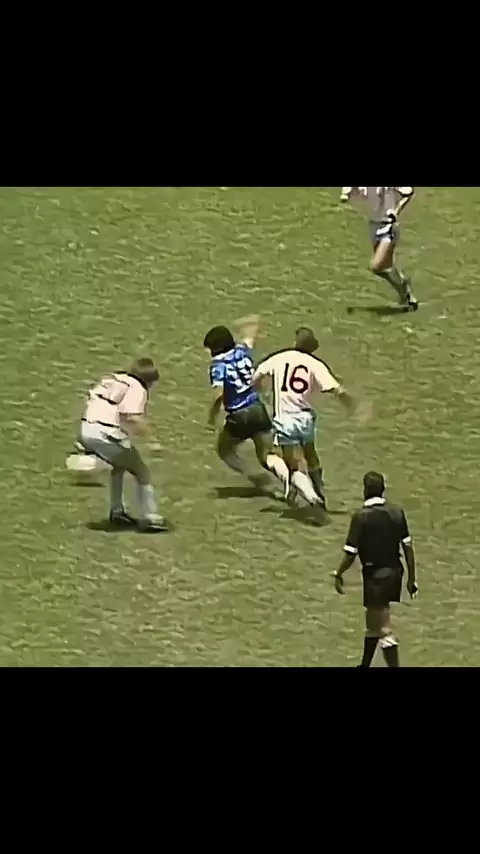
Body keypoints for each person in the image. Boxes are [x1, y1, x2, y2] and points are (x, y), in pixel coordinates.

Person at [252, 327, 357, 510]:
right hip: (305, 419)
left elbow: (258, 374)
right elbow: (336, 389)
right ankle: (319, 490)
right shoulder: (315, 364)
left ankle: (312, 497)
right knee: (311, 455)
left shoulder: (280, 357)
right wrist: (351, 404)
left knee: (292, 466)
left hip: (286, 419)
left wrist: (257, 387)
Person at [332, 471, 418, 667]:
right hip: (394, 573)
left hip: (375, 577)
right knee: (373, 624)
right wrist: (411, 579)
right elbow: (408, 548)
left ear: (365, 490)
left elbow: (351, 553)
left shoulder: (361, 517)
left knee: (384, 628)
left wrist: (339, 573)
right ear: (383, 490)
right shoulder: (397, 513)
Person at [79, 357, 168, 532]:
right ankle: (150, 517)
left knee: (119, 466)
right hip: (106, 432)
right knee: (142, 471)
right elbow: (132, 416)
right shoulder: (137, 387)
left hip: (87, 429)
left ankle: (117, 511)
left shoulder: (112, 379)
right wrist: (152, 440)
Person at [203, 315, 290, 494]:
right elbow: (251, 334)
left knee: (225, 450)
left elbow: (219, 396)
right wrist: (249, 322)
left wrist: (212, 417)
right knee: (267, 456)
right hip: (258, 408)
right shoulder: (243, 350)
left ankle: (258, 478)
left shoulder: (218, 366)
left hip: (239, 416)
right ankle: (291, 481)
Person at [341, 186, 418, 311]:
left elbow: (408, 193)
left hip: (389, 226)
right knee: (385, 267)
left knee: (376, 266)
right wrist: (346, 193)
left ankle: (404, 289)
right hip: (373, 225)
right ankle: (405, 291)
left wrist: (396, 211)